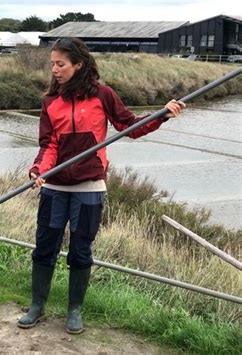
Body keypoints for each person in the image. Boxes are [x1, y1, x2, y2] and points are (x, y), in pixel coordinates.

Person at [17, 37, 185, 334]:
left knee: (80, 252)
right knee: (44, 248)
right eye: (52, 64)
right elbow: (48, 145)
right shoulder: (50, 102)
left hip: (89, 189)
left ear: (78, 64)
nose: (54, 69)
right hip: (54, 188)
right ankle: (37, 306)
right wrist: (38, 171)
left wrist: (162, 115)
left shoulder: (102, 95)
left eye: (61, 64)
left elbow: (129, 127)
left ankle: (74, 311)